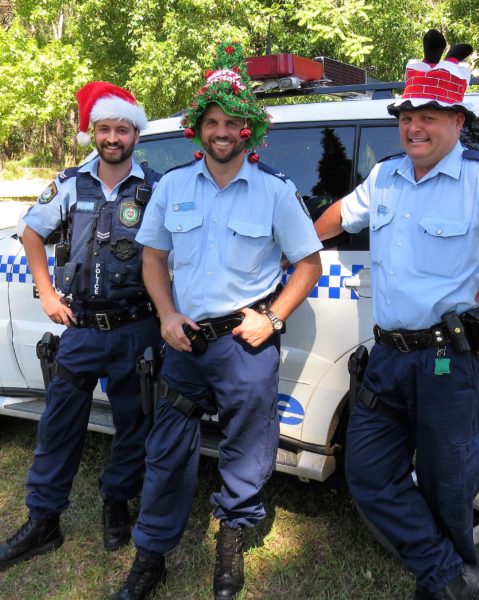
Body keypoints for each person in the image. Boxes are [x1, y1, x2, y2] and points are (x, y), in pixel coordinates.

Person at [314, 30, 479, 600]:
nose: (415, 127)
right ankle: (453, 578)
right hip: (387, 356)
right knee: (368, 473)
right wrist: (298, 243)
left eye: (429, 116)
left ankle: (441, 587)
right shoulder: (386, 175)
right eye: (408, 116)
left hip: (447, 362)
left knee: (448, 486)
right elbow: (341, 215)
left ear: (457, 121)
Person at [112, 42, 322, 600]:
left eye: (232, 122)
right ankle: (151, 554)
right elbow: (153, 257)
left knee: (246, 451)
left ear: (248, 129)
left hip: (244, 344)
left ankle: (231, 540)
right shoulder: (173, 186)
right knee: (166, 451)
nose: (222, 132)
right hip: (185, 342)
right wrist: (165, 314)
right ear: (198, 129)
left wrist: (273, 318)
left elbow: (308, 264)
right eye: (212, 122)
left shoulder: (274, 191)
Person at [0, 82, 162, 571]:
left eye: (122, 130)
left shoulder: (156, 187)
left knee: (134, 425)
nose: (113, 138)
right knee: (59, 426)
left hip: (137, 327)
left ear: (136, 134)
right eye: (105, 129)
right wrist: (48, 294)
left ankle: (117, 501)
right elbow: (31, 233)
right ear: (94, 133)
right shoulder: (71, 183)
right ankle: (43, 520)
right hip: (82, 328)